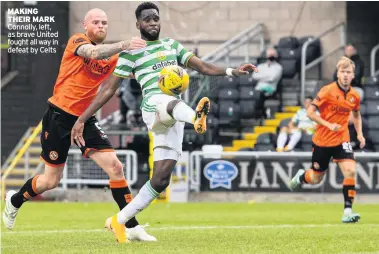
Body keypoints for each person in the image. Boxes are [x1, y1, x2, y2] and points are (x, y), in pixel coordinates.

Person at [70, 2, 258, 243]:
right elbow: (108, 89)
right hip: (153, 105)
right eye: (147, 19)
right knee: (166, 100)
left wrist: (232, 71)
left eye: (156, 18)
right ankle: (196, 118)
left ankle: (118, 221)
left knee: (160, 180)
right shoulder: (131, 52)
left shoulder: (171, 45)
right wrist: (83, 118)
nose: (153, 22)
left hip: (174, 115)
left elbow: (201, 66)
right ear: (138, 24)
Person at [2, 8, 157, 241]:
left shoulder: (114, 57)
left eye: (104, 22)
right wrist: (124, 44)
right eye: (96, 22)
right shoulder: (78, 41)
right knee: (50, 181)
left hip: (85, 119)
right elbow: (93, 53)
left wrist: (162, 69)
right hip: (59, 117)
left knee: (115, 167)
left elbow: (134, 72)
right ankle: (14, 200)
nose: (101, 26)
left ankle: (131, 225)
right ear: (86, 25)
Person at [289, 56, 365, 223]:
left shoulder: (354, 95)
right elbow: (309, 112)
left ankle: (347, 211)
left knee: (351, 170)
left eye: (349, 72)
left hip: (342, 140)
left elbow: (357, 115)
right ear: (338, 74)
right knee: (316, 178)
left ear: (353, 75)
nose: (346, 75)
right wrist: (328, 125)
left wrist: (359, 134)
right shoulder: (327, 90)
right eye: (343, 72)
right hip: (323, 141)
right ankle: (302, 177)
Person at [252, 47, 283, 118]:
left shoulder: (278, 67)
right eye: (269, 55)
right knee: (254, 94)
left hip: (270, 89)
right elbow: (254, 76)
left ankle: (259, 114)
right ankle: (260, 113)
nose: (271, 56)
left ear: (276, 56)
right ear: (266, 56)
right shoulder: (261, 66)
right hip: (258, 88)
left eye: (273, 55)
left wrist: (261, 77)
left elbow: (272, 78)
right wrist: (267, 76)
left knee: (259, 95)